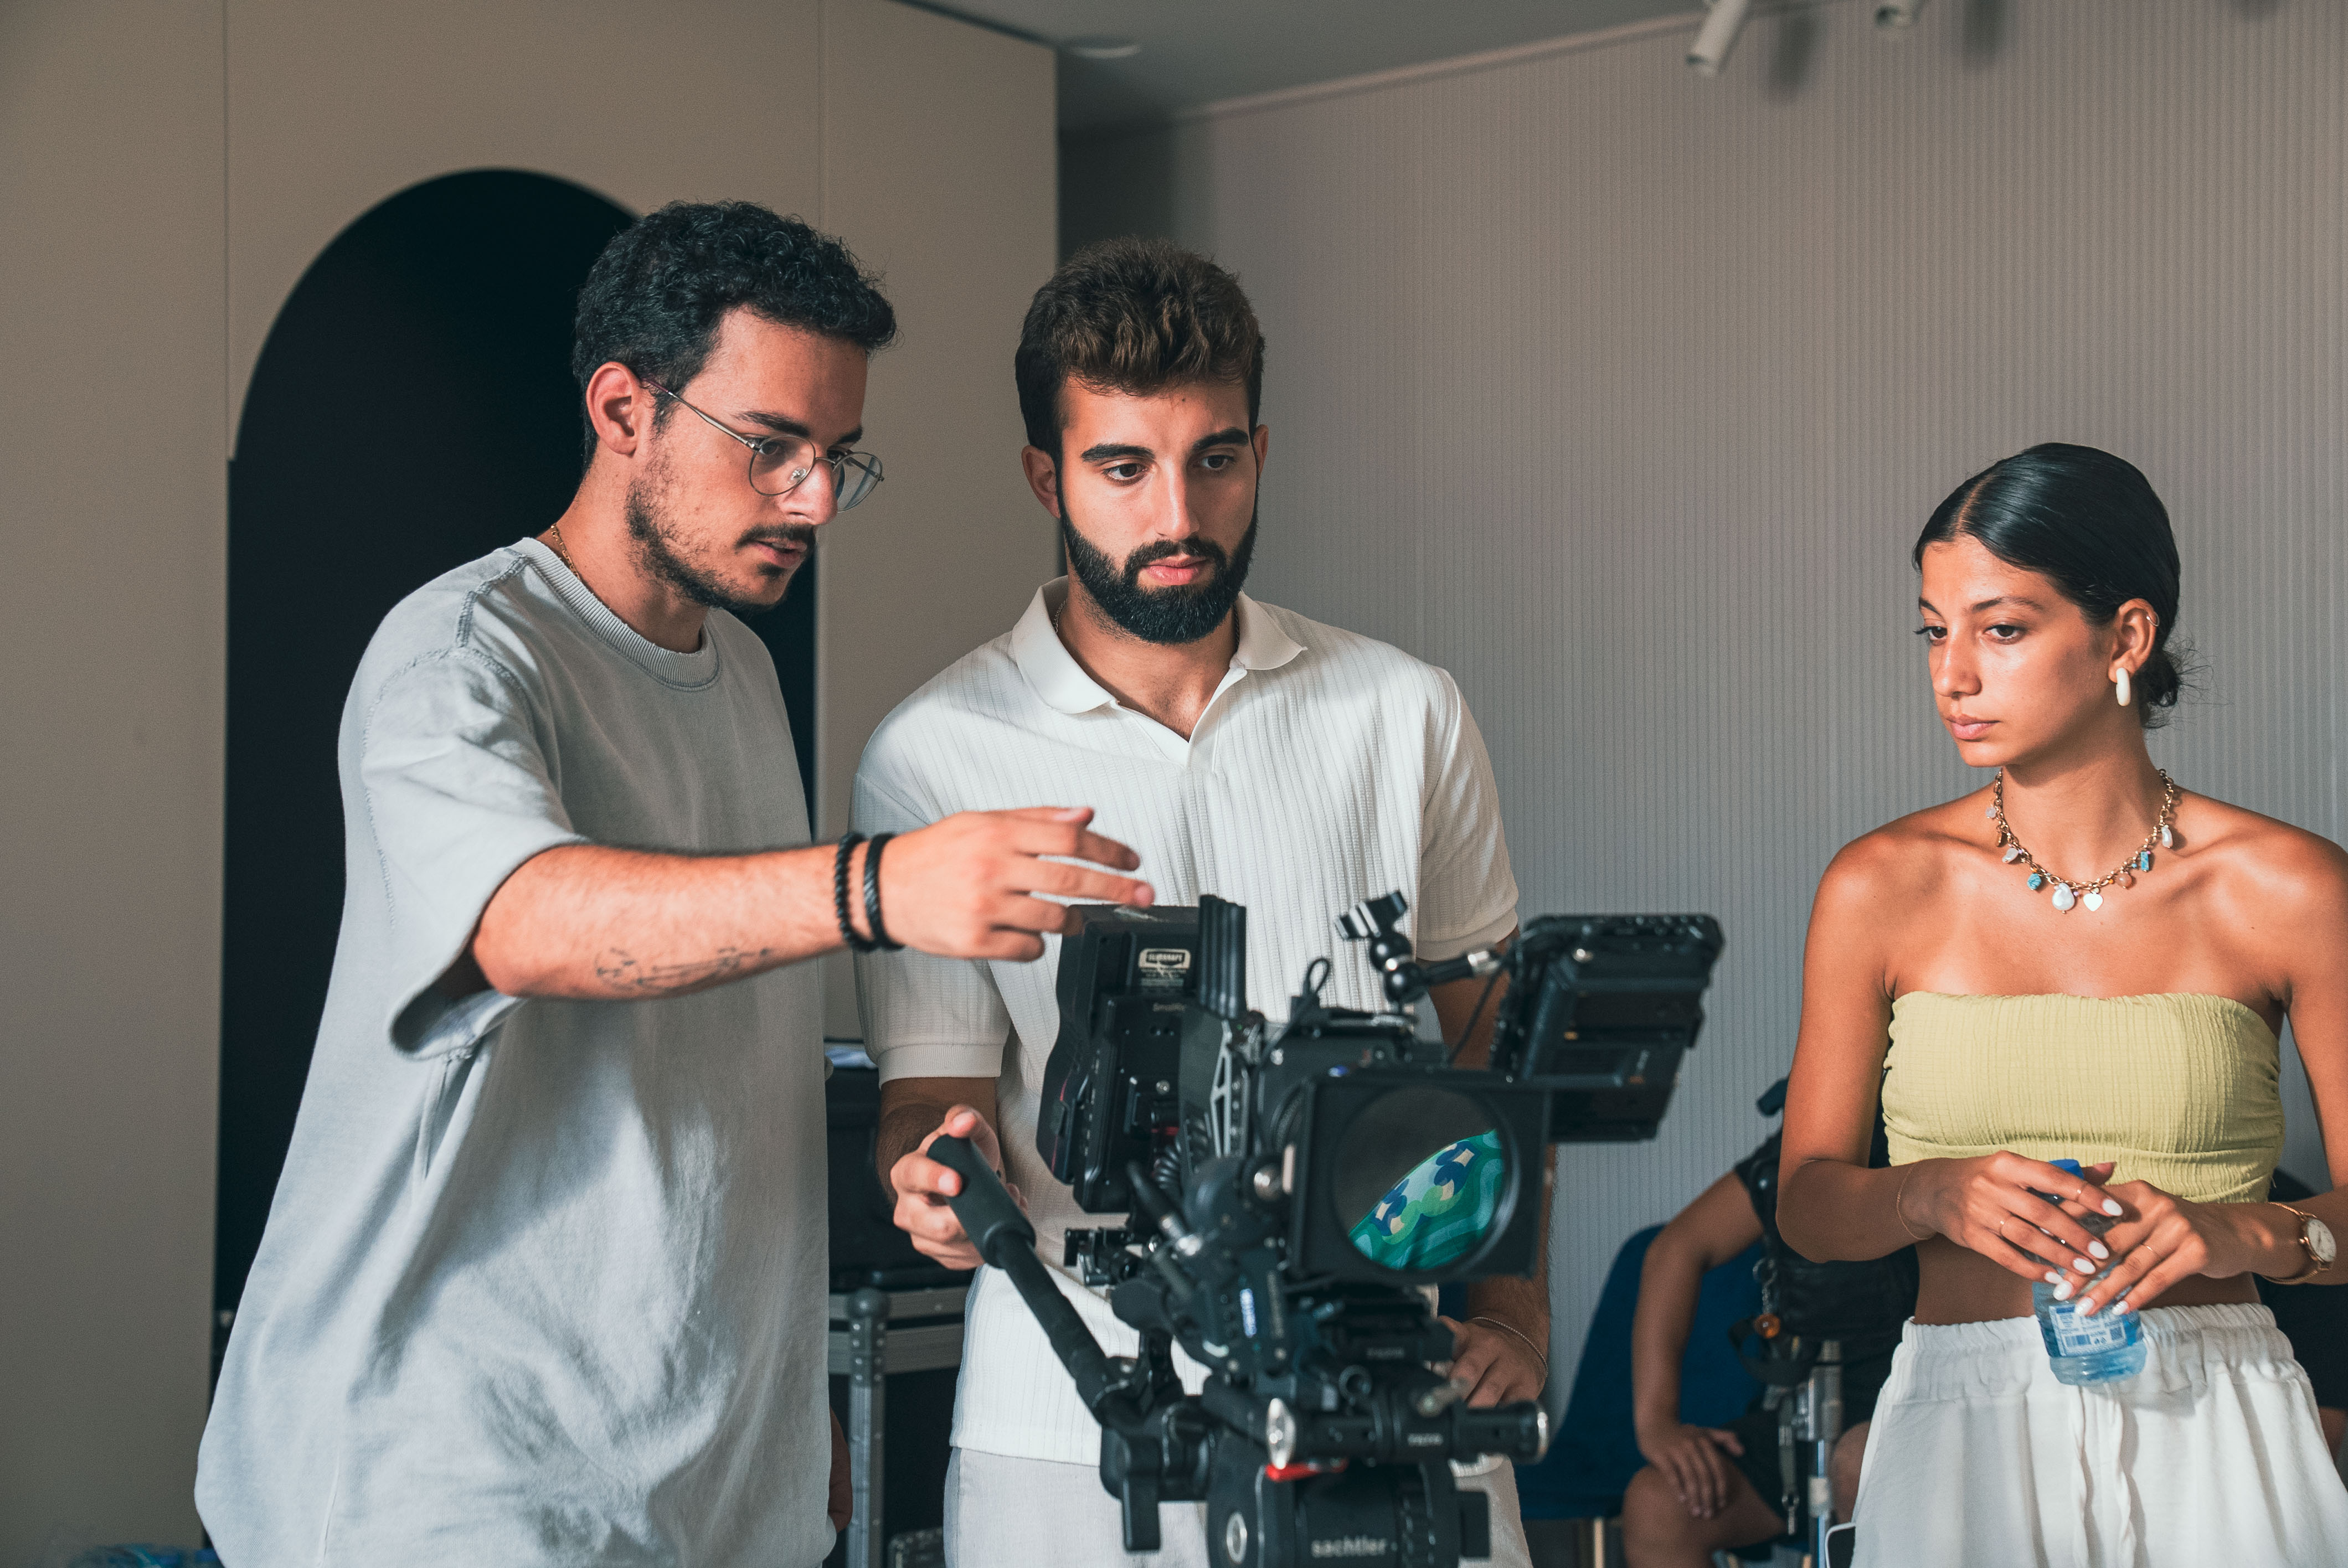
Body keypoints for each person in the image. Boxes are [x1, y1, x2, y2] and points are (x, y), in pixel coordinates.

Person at [195, 202, 1153, 1567]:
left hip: (702, 1484)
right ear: (622, 407)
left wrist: (778, 1398)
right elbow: (525, 923)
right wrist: (879, 886)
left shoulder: (742, 672)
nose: (814, 499)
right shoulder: (458, 655)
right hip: (447, 1479)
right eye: (770, 446)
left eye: (838, 457)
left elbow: (714, 1076)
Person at [852, 238, 1544, 1567]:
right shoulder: (931, 751)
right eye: (1122, 467)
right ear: (1044, 476)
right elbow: (921, 1089)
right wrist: (932, 1173)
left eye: (1212, 459)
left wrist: (1510, 1310)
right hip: (1069, 1416)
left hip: (1381, 1392)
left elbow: (1488, 1054)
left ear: (1258, 451)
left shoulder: (1403, 711)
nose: (1176, 513)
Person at [1774, 443, 2348, 1565]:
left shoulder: (2291, 889)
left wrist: (2241, 1231)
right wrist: (1928, 1194)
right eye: (1933, 631)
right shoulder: (1876, 887)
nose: (1951, 676)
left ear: (2124, 636)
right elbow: (1805, 1205)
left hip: (2218, 1424)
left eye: (2000, 629)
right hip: (1958, 1430)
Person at [1622, 1087, 1916, 1567]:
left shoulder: (1941, 1136)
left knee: (1860, 1464)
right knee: (1657, 1505)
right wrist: (1656, 1422)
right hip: (1811, 1406)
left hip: (1913, 1406)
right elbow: (1676, 1249)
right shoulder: (1811, 1150)